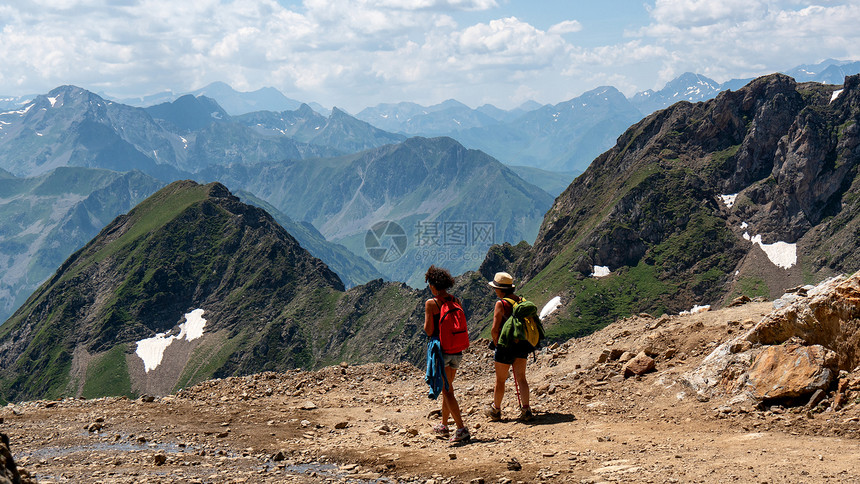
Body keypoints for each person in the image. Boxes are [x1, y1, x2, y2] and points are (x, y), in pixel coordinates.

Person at [424, 265, 471, 443]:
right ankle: (444, 425)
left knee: (447, 391)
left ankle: (461, 428)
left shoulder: (431, 303)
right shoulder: (455, 301)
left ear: (434, 285)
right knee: (448, 388)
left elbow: (429, 331)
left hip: (441, 352)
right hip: (456, 351)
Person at [484, 271, 534, 422]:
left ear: (500, 289)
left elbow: (494, 329)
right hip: (522, 345)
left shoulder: (501, 303)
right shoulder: (521, 301)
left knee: (500, 380)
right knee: (521, 378)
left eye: (495, 288)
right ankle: (526, 409)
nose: (494, 290)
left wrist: (497, 343)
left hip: (505, 346)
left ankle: (496, 410)